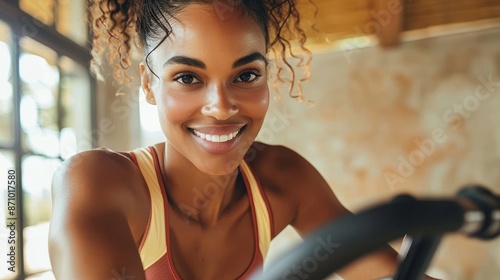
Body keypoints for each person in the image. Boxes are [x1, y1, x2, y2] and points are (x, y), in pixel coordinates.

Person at [48, 1, 436, 279]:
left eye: (246, 75)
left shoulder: (284, 177)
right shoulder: (96, 181)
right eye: (187, 77)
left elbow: (384, 272)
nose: (220, 107)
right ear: (149, 85)